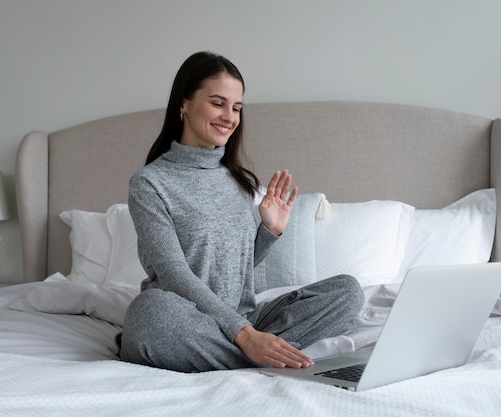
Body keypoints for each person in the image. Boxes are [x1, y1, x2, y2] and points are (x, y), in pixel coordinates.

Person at [119, 51, 364, 373]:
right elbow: (172, 272)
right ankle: (256, 353)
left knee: (347, 291)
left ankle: (243, 354)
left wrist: (270, 232)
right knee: (150, 314)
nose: (229, 117)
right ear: (184, 103)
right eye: (218, 103)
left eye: (236, 108)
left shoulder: (236, 180)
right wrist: (244, 334)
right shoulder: (150, 183)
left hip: (245, 318)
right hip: (186, 318)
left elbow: (234, 267)